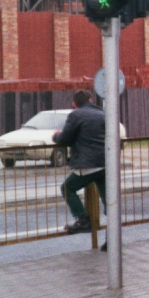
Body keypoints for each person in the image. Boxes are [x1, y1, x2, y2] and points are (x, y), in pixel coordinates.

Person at [54, 89, 106, 234]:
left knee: (67, 188)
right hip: (105, 163)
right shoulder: (102, 113)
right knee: (108, 199)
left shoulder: (76, 114)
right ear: (90, 100)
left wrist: (55, 136)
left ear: (74, 104)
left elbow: (65, 139)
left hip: (88, 164)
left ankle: (83, 220)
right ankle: (112, 238)